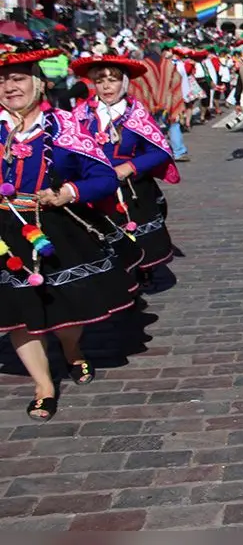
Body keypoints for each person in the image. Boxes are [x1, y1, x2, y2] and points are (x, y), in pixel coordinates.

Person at [1, 41, 135, 421]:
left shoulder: (63, 126)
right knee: (18, 312)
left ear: (38, 84)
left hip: (55, 229)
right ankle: (43, 385)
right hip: (4, 234)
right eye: (2, 82)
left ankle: (72, 350)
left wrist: (67, 193)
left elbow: (103, 176)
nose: (10, 87)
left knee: (66, 311)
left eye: (18, 79)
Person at [70, 54, 181, 287]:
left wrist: (129, 166)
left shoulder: (136, 114)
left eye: (113, 79)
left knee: (136, 238)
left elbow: (161, 151)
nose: (107, 86)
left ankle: (141, 273)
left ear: (125, 83)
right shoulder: (80, 116)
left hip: (130, 189)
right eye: (101, 81)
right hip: (94, 191)